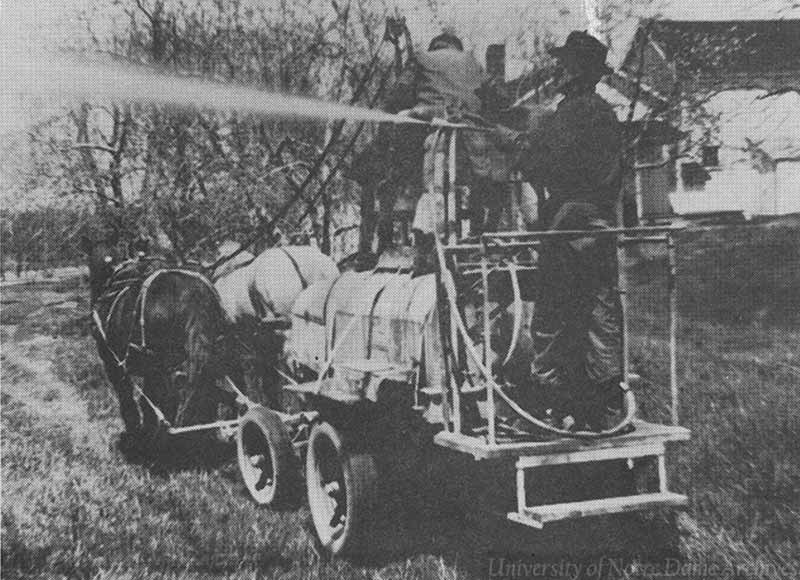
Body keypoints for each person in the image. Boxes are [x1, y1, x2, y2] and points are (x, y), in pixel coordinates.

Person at [495, 31, 625, 431]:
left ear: (576, 71)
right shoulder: (606, 114)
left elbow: (544, 163)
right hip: (602, 222)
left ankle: (551, 405)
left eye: (565, 64)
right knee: (599, 309)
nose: (559, 71)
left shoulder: (569, 114)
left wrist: (516, 144)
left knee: (554, 312)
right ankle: (603, 404)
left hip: (568, 222)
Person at [349, 32, 509, 265]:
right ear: (456, 48)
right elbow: (498, 97)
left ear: (435, 47)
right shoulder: (472, 61)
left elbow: (397, 97)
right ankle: (477, 236)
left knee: (394, 176)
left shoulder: (422, 58)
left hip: (428, 141)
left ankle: (399, 243)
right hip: (472, 142)